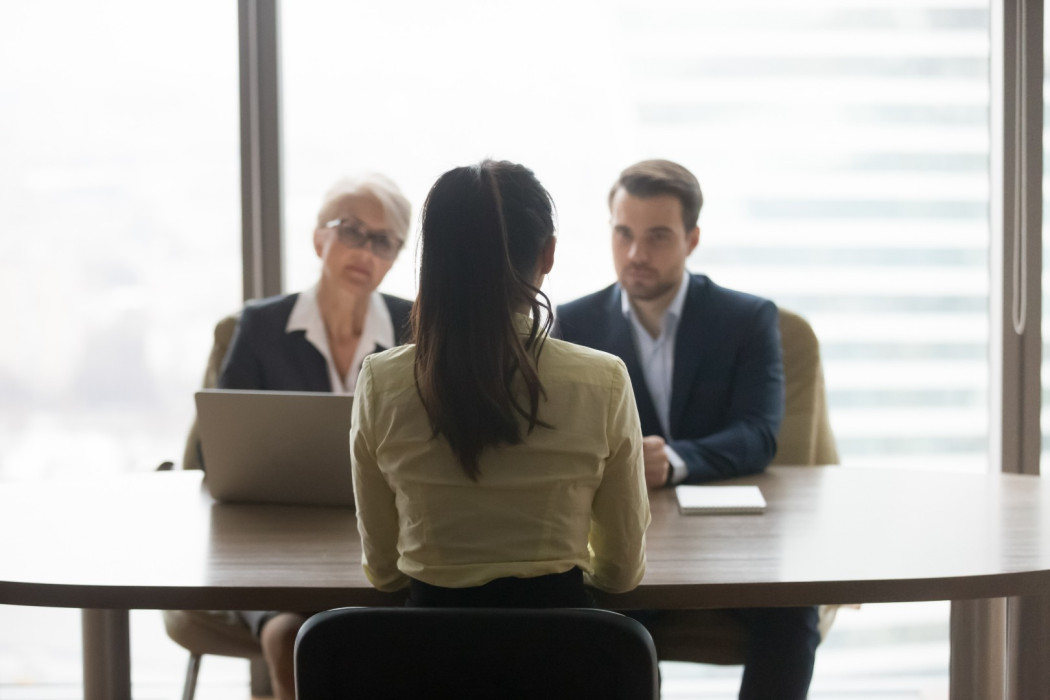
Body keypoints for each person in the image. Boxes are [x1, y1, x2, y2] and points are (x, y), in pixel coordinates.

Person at [553, 159, 820, 699]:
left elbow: (759, 434)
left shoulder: (747, 319)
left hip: (731, 542)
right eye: (623, 233)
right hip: (623, 540)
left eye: (657, 237)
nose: (635, 254)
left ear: (692, 239)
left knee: (793, 611)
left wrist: (674, 459)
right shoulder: (573, 323)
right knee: (591, 619)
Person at [351, 159, 650, 610]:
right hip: (564, 671)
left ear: (434, 259)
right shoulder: (603, 381)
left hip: (429, 672)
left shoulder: (381, 382)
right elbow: (621, 573)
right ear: (548, 253)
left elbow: (386, 573)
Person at [187, 173, 412, 700]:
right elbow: (213, 453)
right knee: (291, 634)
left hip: (385, 540)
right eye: (352, 230)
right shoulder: (260, 326)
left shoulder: (414, 327)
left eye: (382, 241)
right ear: (319, 239)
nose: (365, 250)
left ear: (395, 255)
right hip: (271, 539)